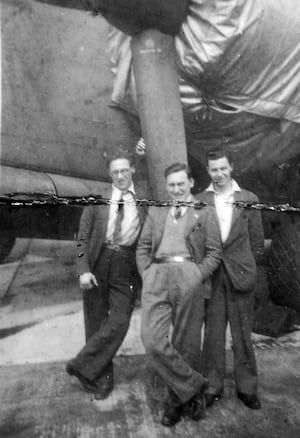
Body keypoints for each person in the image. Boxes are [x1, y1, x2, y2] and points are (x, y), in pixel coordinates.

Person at [136, 162, 221, 426]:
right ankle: (195, 385)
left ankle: (175, 403)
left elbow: (214, 252)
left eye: (180, 184)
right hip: (157, 275)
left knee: (186, 344)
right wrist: (148, 274)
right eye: (171, 184)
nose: (176, 189)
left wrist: (196, 275)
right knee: (151, 339)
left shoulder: (204, 212)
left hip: (188, 275)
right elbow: (143, 247)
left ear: (191, 183)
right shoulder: (156, 211)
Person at [66, 148, 147, 400]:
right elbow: (82, 239)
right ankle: (102, 378)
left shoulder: (144, 196)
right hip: (98, 262)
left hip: (125, 263)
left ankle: (81, 364)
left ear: (133, 169)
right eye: (115, 172)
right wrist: (83, 270)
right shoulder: (97, 198)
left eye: (124, 170)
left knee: (121, 318)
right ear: (109, 174)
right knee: (96, 322)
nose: (120, 176)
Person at [198, 149, 264, 410]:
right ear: (208, 170)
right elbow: (196, 237)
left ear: (231, 168)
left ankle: (247, 388)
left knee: (242, 336)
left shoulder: (249, 199)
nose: (219, 174)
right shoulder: (200, 200)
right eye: (214, 169)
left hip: (241, 276)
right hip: (213, 277)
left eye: (223, 168)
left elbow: (257, 242)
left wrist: (244, 266)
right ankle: (212, 386)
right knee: (213, 335)